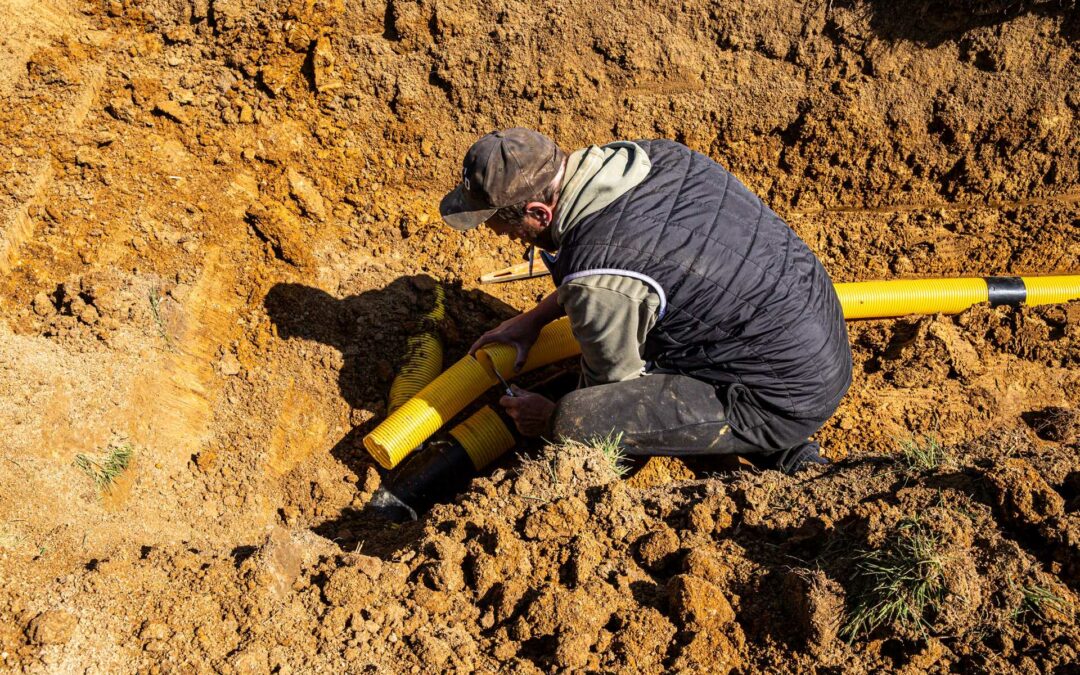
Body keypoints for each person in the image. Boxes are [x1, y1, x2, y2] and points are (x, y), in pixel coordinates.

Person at [439, 128, 851, 473]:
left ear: (539, 213)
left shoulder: (599, 282)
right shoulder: (651, 158)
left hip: (781, 394)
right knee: (660, 330)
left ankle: (748, 479)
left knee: (577, 419)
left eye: (497, 223)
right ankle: (790, 456)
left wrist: (548, 419)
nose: (496, 234)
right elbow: (626, 269)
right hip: (816, 332)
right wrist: (536, 318)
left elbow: (608, 405)